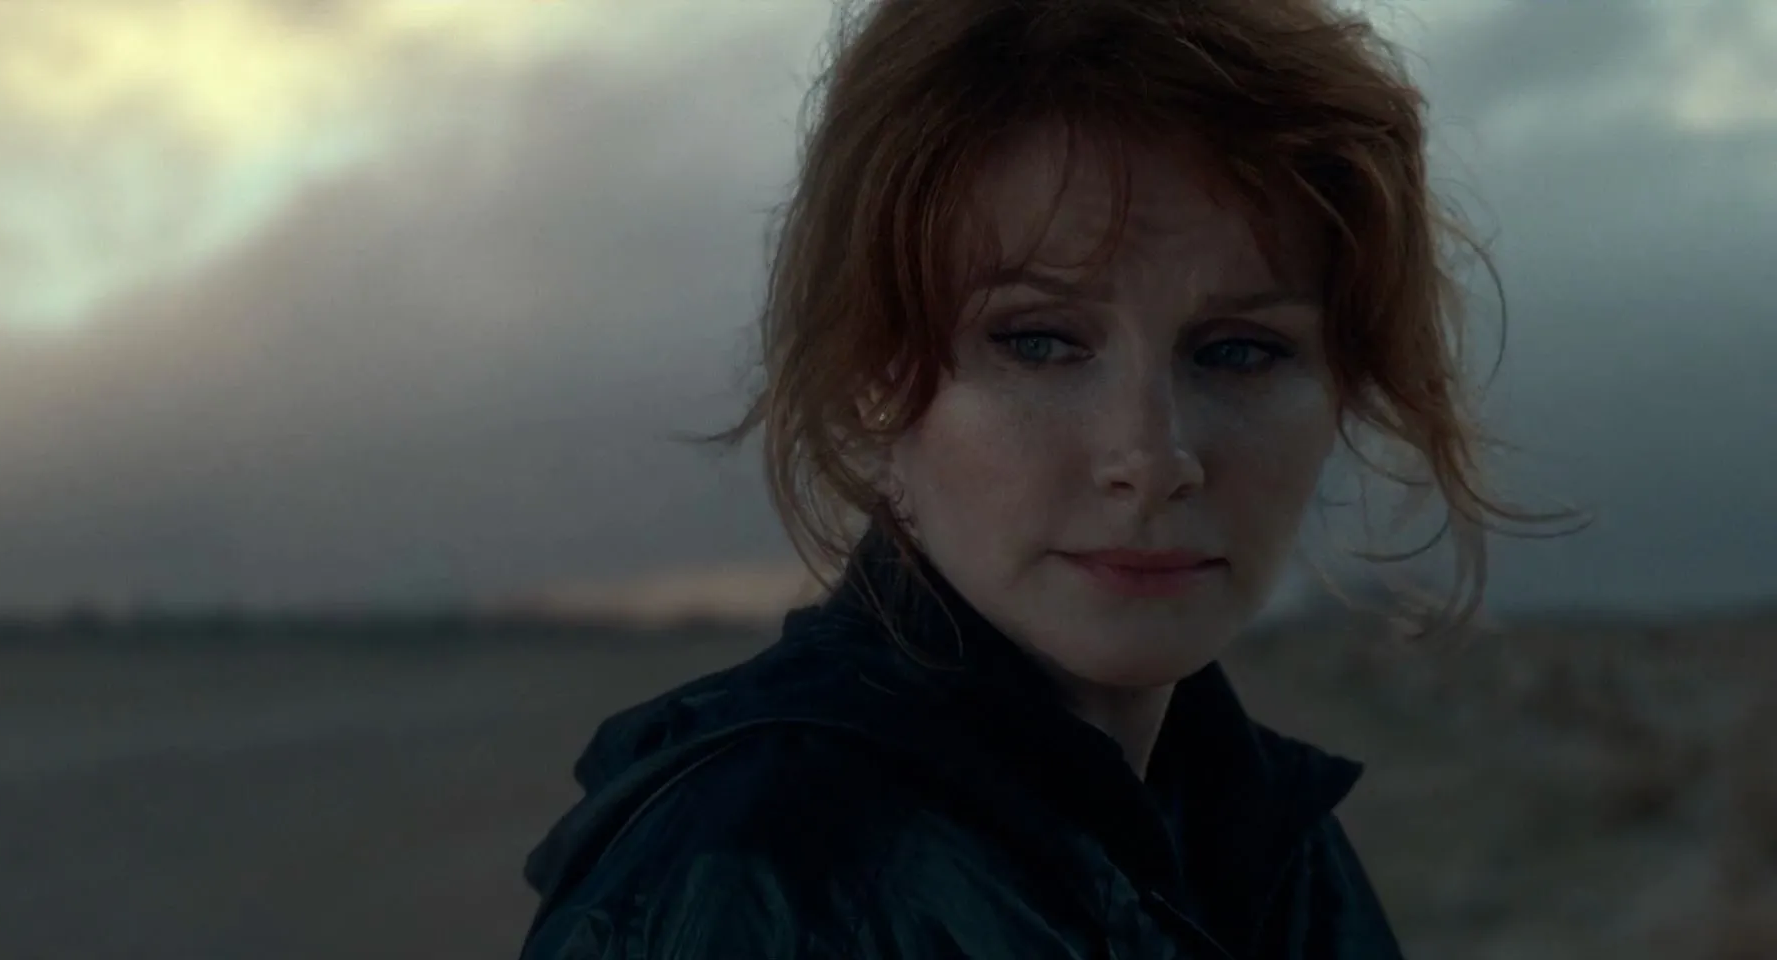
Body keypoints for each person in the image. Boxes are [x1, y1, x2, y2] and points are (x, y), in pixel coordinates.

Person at [520, 0, 1562, 956]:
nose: (1152, 460)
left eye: (1240, 351)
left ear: (1343, 383)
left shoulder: (1261, 841)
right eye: (1039, 342)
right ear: (873, 377)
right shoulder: (760, 878)